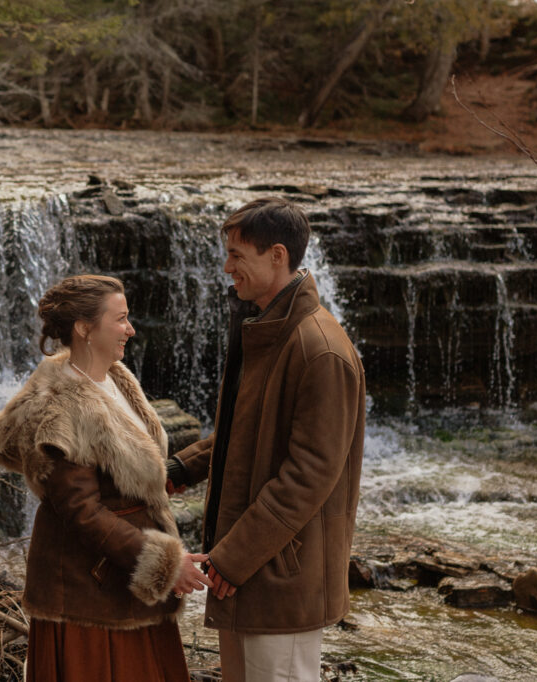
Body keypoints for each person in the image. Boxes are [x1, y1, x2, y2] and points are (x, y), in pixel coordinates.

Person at [165, 198, 366, 682]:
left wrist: (230, 560)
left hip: (279, 577)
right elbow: (249, 432)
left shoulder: (319, 350)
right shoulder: (270, 328)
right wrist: (182, 468)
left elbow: (308, 477)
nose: (227, 267)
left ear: (278, 255)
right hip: (251, 570)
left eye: (238, 255)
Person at [0, 274, 210, 682]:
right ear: (85, 328)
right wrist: (164, 562)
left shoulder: (115, 378)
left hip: (119, 585)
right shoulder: (62, 405)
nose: (131, 328)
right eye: (120, 319)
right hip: (90, 594)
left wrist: (213, 454)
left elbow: (134, 476)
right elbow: (81, 510)